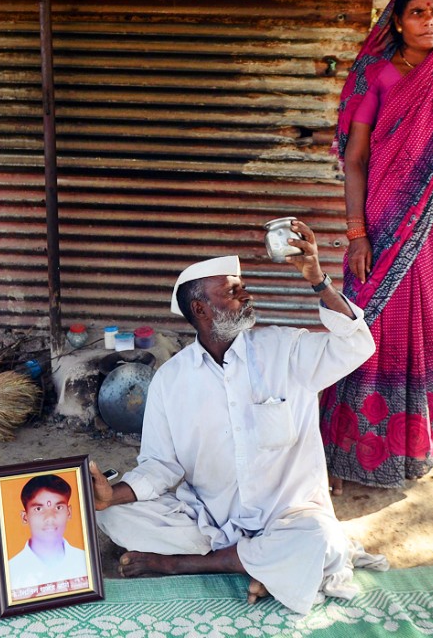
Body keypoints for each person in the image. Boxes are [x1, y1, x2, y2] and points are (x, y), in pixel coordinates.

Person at [88, 220, 388, 616]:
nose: (246, 294)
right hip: (212, 517)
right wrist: (113, 495)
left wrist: (318, 279)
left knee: (322, 539)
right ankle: (261, 564)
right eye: (232, 291)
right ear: (200, 308)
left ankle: (183, 565)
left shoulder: (284, 348)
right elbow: (161, 465)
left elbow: (356, 344)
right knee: (114, 515)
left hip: (289, 516)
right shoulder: (170, 381)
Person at [319, 0, 433, 493]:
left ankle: (413, 453)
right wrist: (357, 234)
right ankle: (350, 454)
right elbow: (356, 158)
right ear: (397, 19)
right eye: (418, 11)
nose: (429, 20)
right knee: (367, 330)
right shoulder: (378, 74)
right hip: (382, 225)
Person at [7, 474, 89, 601]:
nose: (50, 517)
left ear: (69, 512)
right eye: (39, 509)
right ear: (25, 517)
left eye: (58, 507)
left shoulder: (86, 561)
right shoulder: (10, 571)